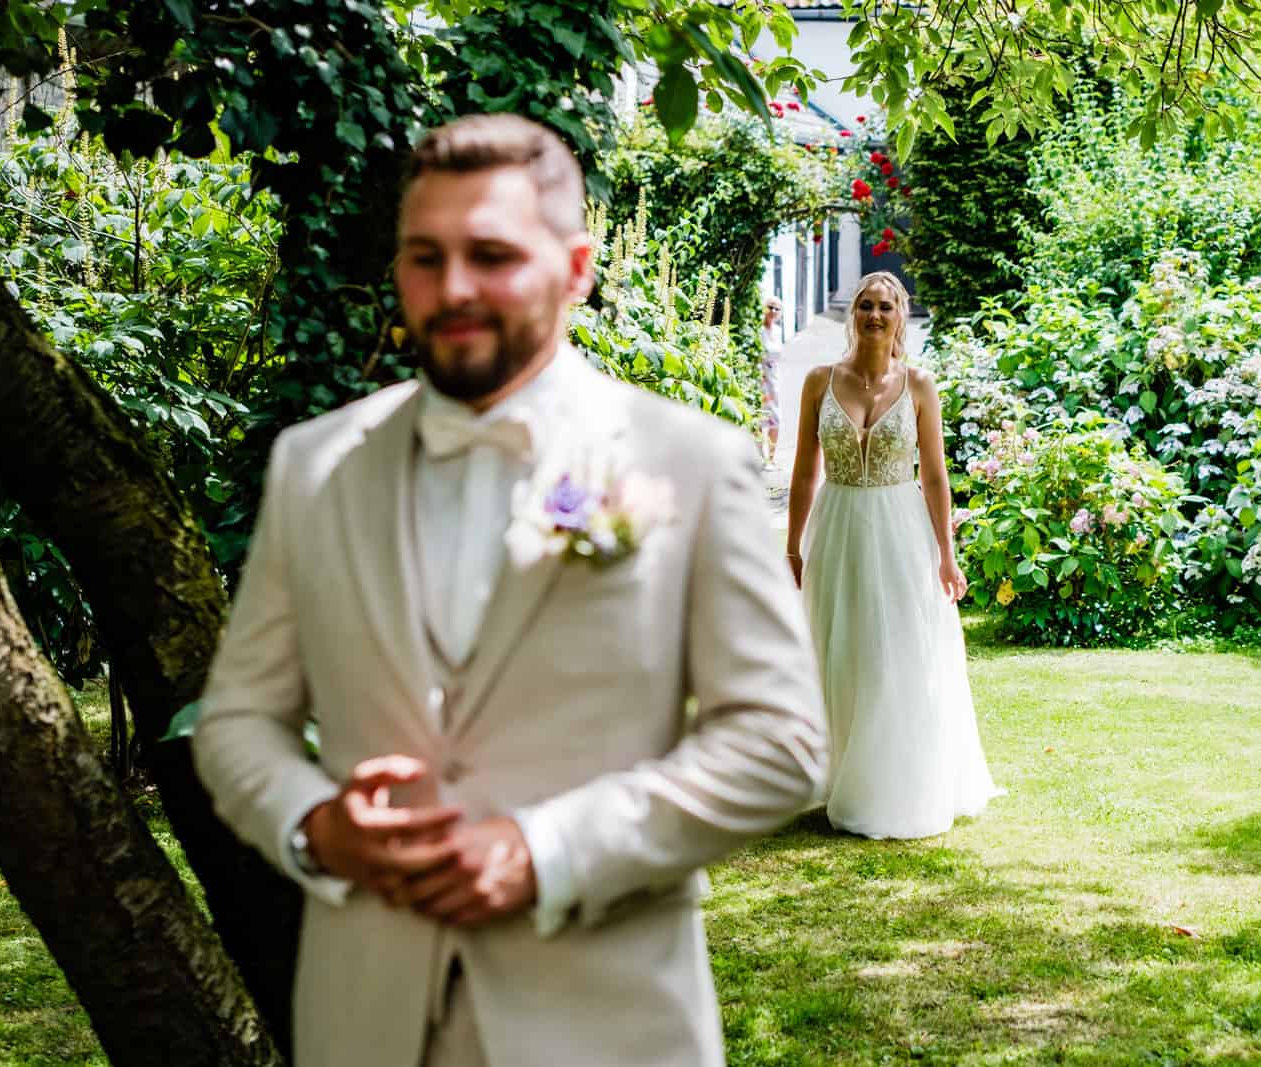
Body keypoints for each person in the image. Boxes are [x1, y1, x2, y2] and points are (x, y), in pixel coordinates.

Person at [193, 114, 828, 1067]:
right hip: (364, 1015)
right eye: (423, 257)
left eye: (490, 255)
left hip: (606, 1015)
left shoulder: (691, 465)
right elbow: (237, 718)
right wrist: (316, 824)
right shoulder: (314, 467)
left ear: (575, 269)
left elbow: (781, 741)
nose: (451, 289)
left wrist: (547, 849)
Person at [784, 271, 1003, 840]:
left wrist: (947, 556)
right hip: (837, 526)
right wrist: (791, 544)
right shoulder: (817, 383)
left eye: (885, 306)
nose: (874, 316)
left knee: (896, 649)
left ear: (900, 316)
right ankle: (835, 771)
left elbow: (934, 476)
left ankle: (891, 780)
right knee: (839, 646)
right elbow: (804, 472)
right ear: (852, 315)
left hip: (900, 529)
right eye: (865, 306)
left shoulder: (920, 385)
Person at [758, 297, 785, 466]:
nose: (773, 312)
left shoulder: (777, 331)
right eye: (770, 307)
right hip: (760, 378)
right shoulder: (758, 330)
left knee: (775, 418)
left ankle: (771, 458)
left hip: (774, 379)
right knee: (759, 418)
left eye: (777, 309)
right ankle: (759, 457)